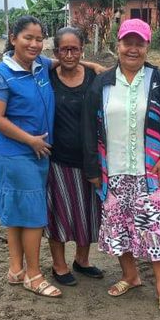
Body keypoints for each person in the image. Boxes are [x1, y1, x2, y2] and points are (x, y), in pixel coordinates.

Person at [82, 18, 160, 312]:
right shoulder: (102, 83)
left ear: (147, 47)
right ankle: (130, 276)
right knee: (119, 226)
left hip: (149, 173)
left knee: (154, 228)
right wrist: (93, 169)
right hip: (112, 171)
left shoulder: (158, 80)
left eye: (139, 44)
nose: (133, 49)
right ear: (118, 45)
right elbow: (88, 127)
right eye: (128, 43)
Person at [0, 15, 61, 298]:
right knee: (32, 214)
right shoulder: (2, 74)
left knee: (17, 210)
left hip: (36, 151)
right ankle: (34, 275)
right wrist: (30, 140)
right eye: (28, 38)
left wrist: (92, 66)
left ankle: (16, 269)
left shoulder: (39, 65)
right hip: (16, 153)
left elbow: (61, 63)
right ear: (13, 38)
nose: (34, 44)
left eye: (39, 39)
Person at [46, 26, 104, 286]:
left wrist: (92, 65)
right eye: (64, 50)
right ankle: (58, 265)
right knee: (58, 214)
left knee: (88, 212)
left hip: (90, 159)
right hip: (58, 159)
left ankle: (82, 260)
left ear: (82, 50)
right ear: (56, 52)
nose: (69, 55)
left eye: (75, 49)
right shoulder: (47, 77)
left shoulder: (94, 77)